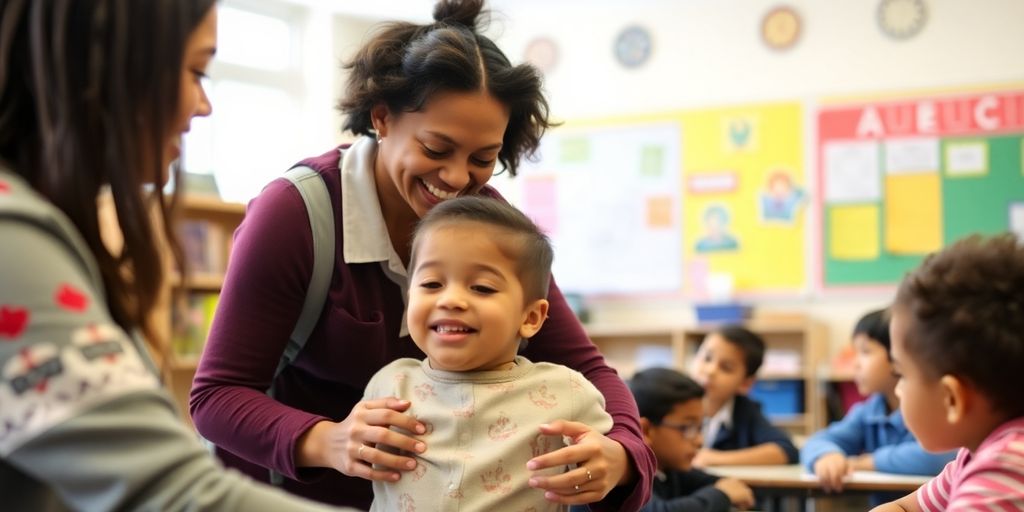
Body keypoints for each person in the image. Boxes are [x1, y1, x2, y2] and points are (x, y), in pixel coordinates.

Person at [188, 0, 655, 509]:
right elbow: (216, 397)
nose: (457, 179)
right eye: (436, 149)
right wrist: (330, 440)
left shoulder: (483, 222)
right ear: (382, 117)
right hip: (294, 496)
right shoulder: (296, 213)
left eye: (482, 159)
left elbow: (588, 371)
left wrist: (623, 454)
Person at [0, 1, 347, 510]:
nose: (202, 106)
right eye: (195, 71)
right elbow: (172, 492)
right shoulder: (12, 238)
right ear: (106, 67)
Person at [365, 196, 614, 510]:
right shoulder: (389, 385)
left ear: (530, 318)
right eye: (431, 283)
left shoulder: (568, 391)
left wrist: (602, 465)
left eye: (481, 287)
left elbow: (606, 461)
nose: (451, 300)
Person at [871, 234, 1024, 512]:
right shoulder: (974, 455)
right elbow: (905, 508)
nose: (898, 389)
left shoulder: (1005, 469)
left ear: (952, 398)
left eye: (902, 373)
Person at [802, 309, 954, 500]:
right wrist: (826, 456)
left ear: (899, 357)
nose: (855, 364)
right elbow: (818, 441)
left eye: (865, 352)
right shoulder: (869, 411)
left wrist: (869, 461)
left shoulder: (933, 406)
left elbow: (939, 456)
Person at [629, 368, 755, 512]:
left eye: (700, 428)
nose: (699, 441)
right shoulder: (626, 473)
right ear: (646, 431)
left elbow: (716, 482)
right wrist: (723, 495)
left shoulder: (668, 468)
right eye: (687, 428)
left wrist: (728, 489)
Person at [688, 325, 798, 466]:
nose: (710, 371)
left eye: (726, 367)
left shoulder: (745, 412)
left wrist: (713, 458)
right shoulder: (671, 401)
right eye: (707, 358)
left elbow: (786, 451)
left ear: (745, 384)